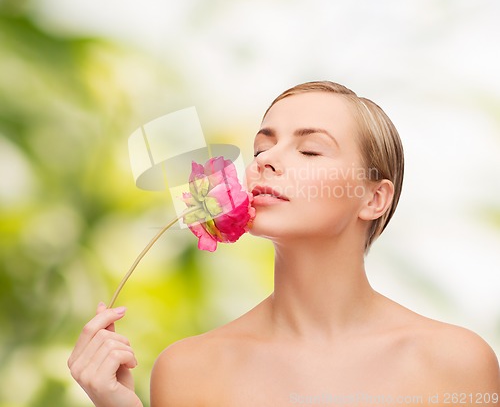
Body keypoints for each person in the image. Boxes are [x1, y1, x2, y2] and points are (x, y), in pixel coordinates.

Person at [68, 81, 500, 407]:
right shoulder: (187, 370)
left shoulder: (455, 362)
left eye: (310, 150)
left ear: (374, 198)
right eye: (261, 147)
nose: (265, 161)